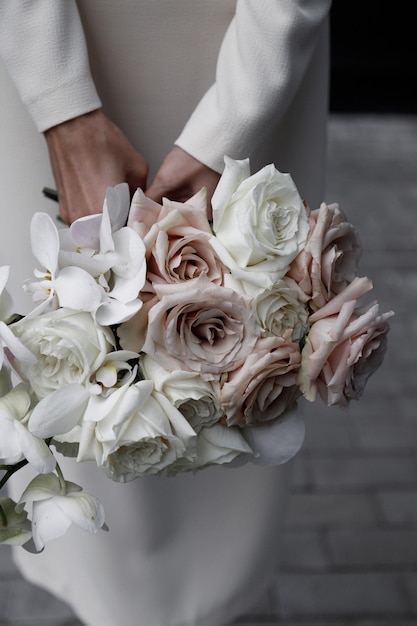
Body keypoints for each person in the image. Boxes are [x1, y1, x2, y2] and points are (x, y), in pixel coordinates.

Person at [0, 2, 332, 625]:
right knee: (60, 355)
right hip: (54, 31)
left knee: (245, 372)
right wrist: (61, 103)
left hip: (241, 41)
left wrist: (232, 120)